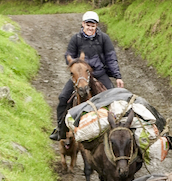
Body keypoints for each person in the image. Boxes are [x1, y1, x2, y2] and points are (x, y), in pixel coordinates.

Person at [49, 11, 124, 140]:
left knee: (114, 97)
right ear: (83, 24)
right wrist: (77, 66)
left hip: (99, 73)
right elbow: (69, 56)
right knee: (63, 98)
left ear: (96, 26)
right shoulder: (76, 39)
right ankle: (60, 129)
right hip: (81, 75)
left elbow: (111, 58)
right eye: (88, 25)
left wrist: (117, 76)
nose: (90, 28)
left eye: (93, 26)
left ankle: (119, 126)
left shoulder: (104, 38)